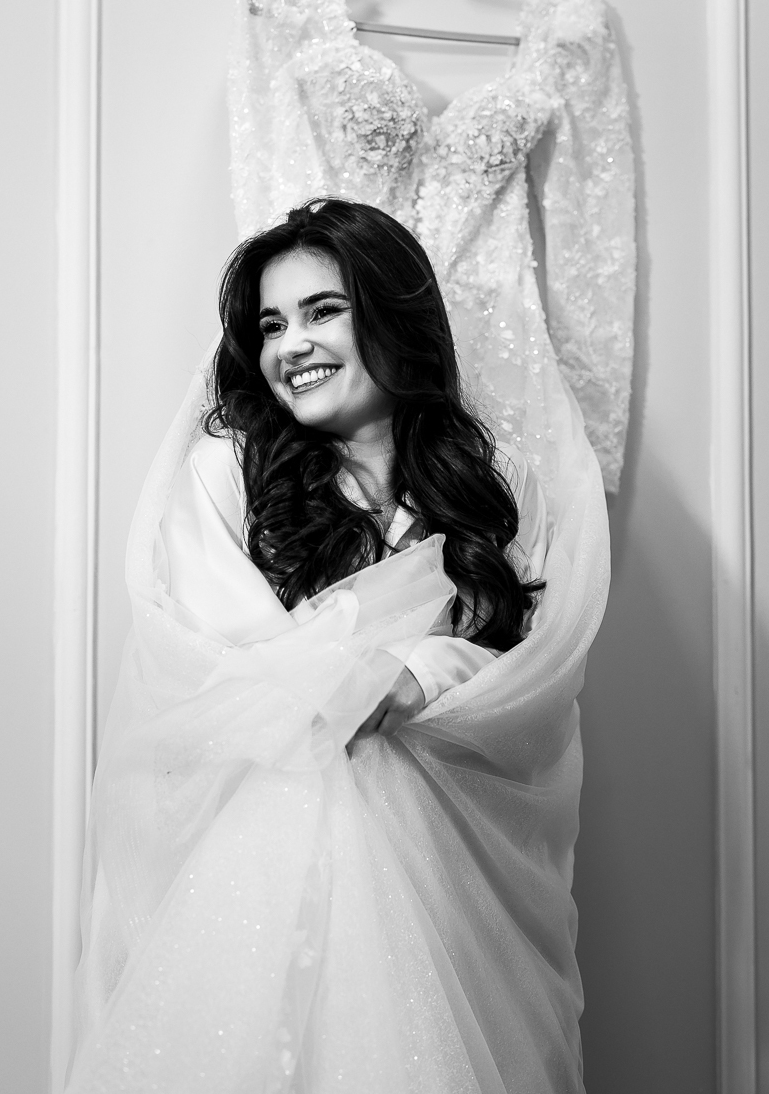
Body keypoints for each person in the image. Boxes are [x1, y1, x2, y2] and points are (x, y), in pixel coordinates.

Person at [67, 199, 609, 1094]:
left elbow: (535, 674)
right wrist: (347, 684)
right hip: (260, 893)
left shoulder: (498, 486)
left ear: (394, 314)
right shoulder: (229, 471)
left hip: (454, 894)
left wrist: (423, 670)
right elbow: (218, 666)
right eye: (272, 325)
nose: (292, 346)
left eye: (323, 311)